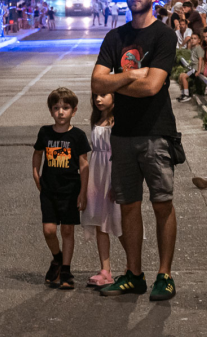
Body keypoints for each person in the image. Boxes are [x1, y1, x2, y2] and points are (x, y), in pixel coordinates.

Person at [91, 0, 179, 302]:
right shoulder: (114, 37)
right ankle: (134, 274)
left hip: (157, 133)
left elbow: (154, 86)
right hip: (122, 134)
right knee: (128, 206)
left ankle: (164, 275)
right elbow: (97, 84)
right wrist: (133, 75)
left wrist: (118, 78)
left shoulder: (163, 36)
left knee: (162, 204)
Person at [32, 87, 91, 291]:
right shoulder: (45, 132)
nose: (60, 112)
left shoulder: (78, 135)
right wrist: (35, 173)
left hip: (70, 190)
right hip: (48, 190)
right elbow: (38, 153)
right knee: (49, 230)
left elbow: (84, 164)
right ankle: (57, 258)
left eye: (65, 108)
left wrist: (83, 192)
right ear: (50, 110)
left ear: (73, 111)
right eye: (56, 108)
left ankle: (65, 270)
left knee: (67, 230)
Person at [83, 91, 122, 289]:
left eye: (103, 95)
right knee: (100, 221)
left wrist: (116, 181)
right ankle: (105, 270)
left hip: (111, 171)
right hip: (97, 173)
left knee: (119, 221)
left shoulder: (118, 121)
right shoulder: (96, 119)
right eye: (95, 95)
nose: (98, 99)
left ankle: (133, 267)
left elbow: (119, 152)